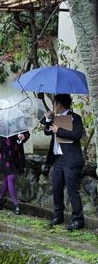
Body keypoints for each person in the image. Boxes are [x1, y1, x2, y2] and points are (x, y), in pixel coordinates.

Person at [43, 93, 84, 230]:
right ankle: (58, 215)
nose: (54, 106)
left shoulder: (75, 118)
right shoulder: (56, 117)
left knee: (72, 190)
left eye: (54, 104)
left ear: (59, 105)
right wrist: (48, 121)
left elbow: (77, 135)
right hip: (58, 159)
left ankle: (78, 220)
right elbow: (47, 132)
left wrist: (58, 130)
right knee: (56, 187)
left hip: (71, 159)